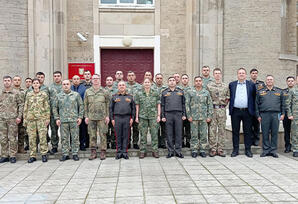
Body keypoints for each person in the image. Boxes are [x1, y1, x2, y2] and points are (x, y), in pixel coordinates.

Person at [54, 79, 84, 161]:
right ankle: (65, 154)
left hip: (74, 120)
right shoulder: (58, 96)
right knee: (64, 138)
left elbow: (81, 106)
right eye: (64, 84)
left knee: (75, 137)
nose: (66, 86)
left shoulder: (76, 95)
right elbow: (54, 108)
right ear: (62, 86)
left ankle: (75, 153)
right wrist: (57, 118)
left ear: (70, 85)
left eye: (67, 84)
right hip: (63, 120)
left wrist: (80, 117)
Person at [229, 68, 256, 158]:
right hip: (235, 111)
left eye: (243, 73)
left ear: (246, 75)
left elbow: (254, 98)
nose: (241, 74)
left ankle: (248, 150)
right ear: (237, 74)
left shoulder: (251, 85)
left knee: (247, 131)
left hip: (247, 111)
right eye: (239, 73)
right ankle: (235, 150)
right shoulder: (232, 85)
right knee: (235, 131)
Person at [256, 75, 284, 158]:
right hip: (264, 114)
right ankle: (266, 150)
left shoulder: (279, 91)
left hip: (276, 114)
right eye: (268, 79)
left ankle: (273, 150)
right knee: (265, 133)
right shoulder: (260, 91)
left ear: (273, 80)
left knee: (274, 133)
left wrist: (282, 114)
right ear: (266, 81)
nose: (269, 81)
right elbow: (256, 104)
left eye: (271, 79)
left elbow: (283, 104)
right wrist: (258, 115)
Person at [23, 78, 50, 163]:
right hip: (31, 119)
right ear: (32, 85)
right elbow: (26, 107)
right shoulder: (29, 94)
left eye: (37, 83)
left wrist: (47, 118)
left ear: (39, 84)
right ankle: (32, 155)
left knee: (42, 137)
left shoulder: (44, 94)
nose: (35, 84)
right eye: (34, 83)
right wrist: (25, 119)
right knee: (32, 138)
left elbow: (47, 107)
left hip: (41, 119)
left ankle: (44, 154)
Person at [185, 76, 213, 158]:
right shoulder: (190, 92)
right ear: (194, 82)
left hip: (204, 117)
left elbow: (209, 104)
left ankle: (202, 150)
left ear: (202, 82)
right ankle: (194, 149)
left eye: (199, 81)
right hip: (193, 117)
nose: (198, 82)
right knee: (194, 134)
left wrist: (209, 116)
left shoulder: (206, 92)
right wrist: (188, 115)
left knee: (203, 134)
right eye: (196, 81)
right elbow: (187, 104)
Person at [84, 74, 110, 160]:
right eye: (94, 79)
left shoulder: (105, 91)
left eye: (97, 78)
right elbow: (85, 105)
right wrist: (86, 116)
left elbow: (108, 104)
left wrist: (107, 116)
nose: (95, 80)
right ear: (91, 80)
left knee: (103, 134)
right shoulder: (88, 91)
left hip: (102, 117)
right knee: (92, 135)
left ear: (99, 80)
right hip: (91, 117)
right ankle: (93, 151)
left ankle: (103, 151)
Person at [0, 76, 24, 163]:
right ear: (3, 82)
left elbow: (21, 105)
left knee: (12, 137)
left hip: (13, 119)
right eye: (5, 81)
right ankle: (4, 155)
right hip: (2, 119)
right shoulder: (1, 93)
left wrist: (19, 117)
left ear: (11, 82)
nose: (6, 82)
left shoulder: (16, 93)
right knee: (3, 138)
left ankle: (12, 155)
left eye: (8, 81)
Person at [135, 78, 161, 159]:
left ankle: (155, 151)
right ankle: (142, 151)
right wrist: (136, 116)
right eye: (145, 82)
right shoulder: (139, 93)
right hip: (142, 116)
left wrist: (159, 115)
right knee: (143, 134)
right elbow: (137, 105)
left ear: (151, 83)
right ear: (143, 84)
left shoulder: (155, 93)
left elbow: (158, 105)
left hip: (153, 116)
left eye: (148, 82)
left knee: (154, 134)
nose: (147, 84)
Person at [207, 68, 230, 157]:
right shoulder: (209, 86)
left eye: (219, 73)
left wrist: (223, 105)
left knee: (222, 130)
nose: (217, 75)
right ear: (213, 75)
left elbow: (228, 97)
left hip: (222, 109)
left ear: (221, 75)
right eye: (216, 73)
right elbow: (207, 98)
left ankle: (220, 149)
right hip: (212, 109)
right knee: (212, 130)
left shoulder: (225, 86)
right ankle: (213, 149)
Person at [161, 77, 186, 158]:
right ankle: (170, 151)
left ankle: (178, 151)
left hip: (178, 114)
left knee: (178, 133)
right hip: (168, 114)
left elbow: (183, 104)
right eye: (170, 81)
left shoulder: (180, 91)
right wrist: (163, 116)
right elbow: (162, 105)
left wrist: (184, 114)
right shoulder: (164, 92)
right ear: (168, 82)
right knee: (169, 134)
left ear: (176, 82)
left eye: (173, 80)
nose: (172, 82)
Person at [110, 81, 135, 160]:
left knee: (126, 135)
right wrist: (112, 119)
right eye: (120, 85)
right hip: (117, 118)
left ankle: (124, 152)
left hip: (127, 118)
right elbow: (111, 109)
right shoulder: (114, 97)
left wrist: (132, 118)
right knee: (118, 136)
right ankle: (119, 152)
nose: (121, 86)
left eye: (123, 85)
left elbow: (133, 109)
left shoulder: (130, 97)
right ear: (118, 87)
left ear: (125, 86)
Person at [71, 75, 88, 151]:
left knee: (82, 129)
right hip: (71, 113)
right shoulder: (70, 88)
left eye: (77, 79)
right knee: (72, 130)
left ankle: (82, 144)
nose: (76, 80)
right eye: (74, 79)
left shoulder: (84, 88)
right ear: (72, 80)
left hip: (81, 112)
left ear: (80, 80)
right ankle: (73, 145)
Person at [249, 68, 265, 146]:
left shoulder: (261, 84)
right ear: (250, 74)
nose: (254, 74)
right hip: (250, 106)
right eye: (253, 73)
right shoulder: (247, 83)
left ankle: (256, 140)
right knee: (249, 124)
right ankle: (251, 139)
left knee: (256, 124)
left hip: (258, 107)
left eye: (255, 73)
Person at [126, 71, 141, 149]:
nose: (131, 77)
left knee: (136, 127)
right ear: (127, 77)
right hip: (127, 109)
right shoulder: (124, 85)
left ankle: (135, 142)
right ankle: (127, 142)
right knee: (127, 126)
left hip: (136, 109)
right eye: (129, 75)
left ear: (135, 76)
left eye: (132, 75)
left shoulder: (139, 86)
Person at [49, 71, 63, 154]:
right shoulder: (50, 88)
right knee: (54, 130)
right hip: (53, 113)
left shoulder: (65, 86)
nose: (57, 77)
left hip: (64, 112)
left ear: (61, 77)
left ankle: (66, 146)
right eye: (55, 76)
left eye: (58, 76)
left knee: (65, 131)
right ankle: (54, 146)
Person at [12, 75, 27, 154]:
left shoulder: (24, 91)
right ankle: (13, 149)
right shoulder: (10, 91)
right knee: (12, 133)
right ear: (13, 81)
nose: (17, 81)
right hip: (12, 115)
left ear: (20, 81)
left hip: (22, 115)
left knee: (22, 132)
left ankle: (21, 148)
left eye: (18, 80)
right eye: (15, 80)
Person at [152, 73, 167, 149]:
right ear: (155, 79)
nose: (159, 80)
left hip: (164, 111)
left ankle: (163, 143)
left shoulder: (166, 88)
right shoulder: (151, 88)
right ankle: (157, 142)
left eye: (160, 78)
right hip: (154, 111)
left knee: (164, 128)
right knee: (156, 128)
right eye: (157, 78)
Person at [282, 76, 296, 153]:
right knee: (287, 131)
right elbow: (282, 103)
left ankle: (295, 147)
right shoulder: (283, 92)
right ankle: (287, 146)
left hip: (295, 114)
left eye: (292, 81)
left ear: (294, 82)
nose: (290, 82)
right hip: (286, 114)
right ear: (286, 82)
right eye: (289, 81)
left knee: (295, 131)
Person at [286, 76, 298, 157]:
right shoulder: (292, 90)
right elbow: (288, 104)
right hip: (295, 115)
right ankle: (296, 149)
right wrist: (289, 114)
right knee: (295, 132)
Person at [105, 76, 116, 149]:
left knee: (114, 129)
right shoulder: (102, 90)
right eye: (107, 80)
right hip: (105, 113)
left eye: (110, 80)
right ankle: (107, 143)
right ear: (106, 81)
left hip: (114, 113)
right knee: (105, 129)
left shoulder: (117, 90)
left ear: (113, 81)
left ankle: (113, 143)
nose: (109, 81)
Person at [181, 74, 191, 148]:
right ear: (181, 80)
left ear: (188, 80)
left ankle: (188, 141)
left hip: (189, 112)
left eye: (186, 78)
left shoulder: (192, 89)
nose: (184, 79)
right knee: (180, 128)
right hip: (180, 112)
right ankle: (181, 142)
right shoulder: (178, 89)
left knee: (188, 128)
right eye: (183, 78)